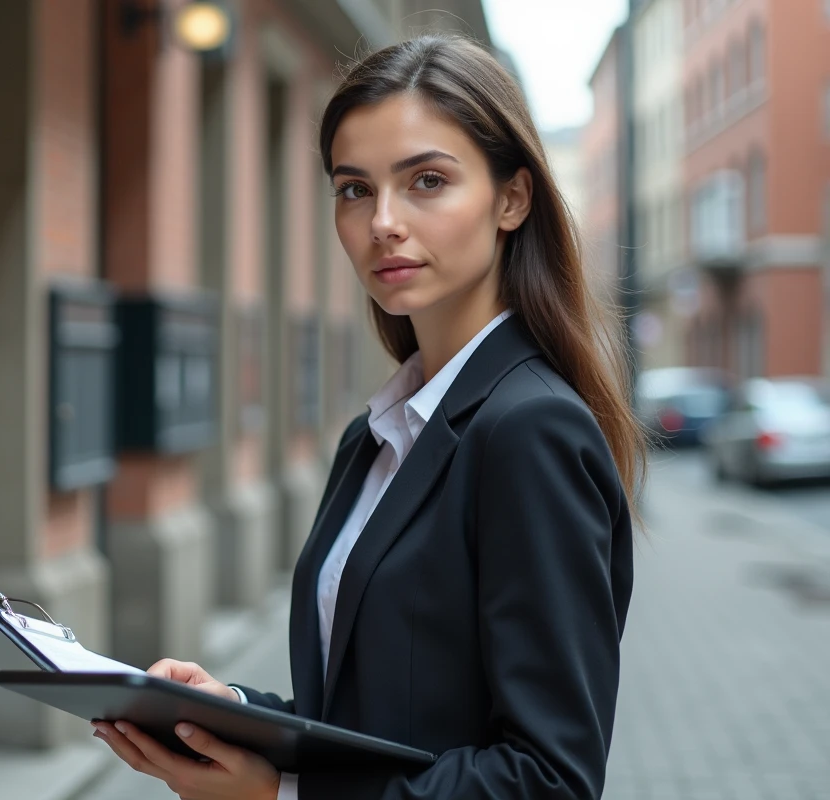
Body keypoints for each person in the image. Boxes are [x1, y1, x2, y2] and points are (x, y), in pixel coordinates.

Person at [91, 32, 644, 800]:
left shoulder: (530, 431)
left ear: (512, 198)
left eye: (426, 180)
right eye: (355, 189)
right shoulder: (376, 437)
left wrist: (279, 795)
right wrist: (235, 717)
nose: (383, 221)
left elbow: (547, 780)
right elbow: (375, 724)